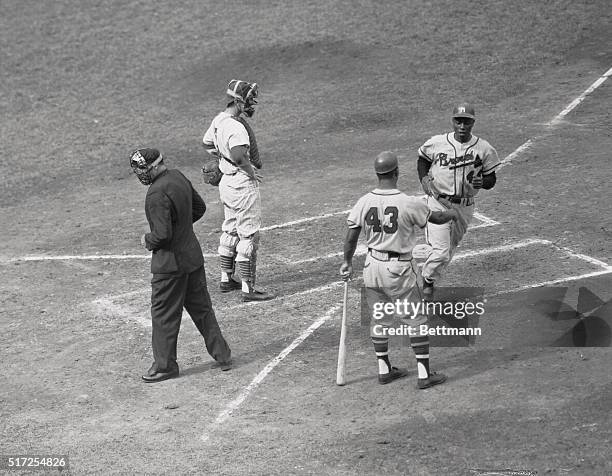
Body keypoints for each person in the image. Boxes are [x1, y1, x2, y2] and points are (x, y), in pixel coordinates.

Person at [340, 151, 463, 388]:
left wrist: (346, 262)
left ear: (378, 174)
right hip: (398, 270)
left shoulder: (364, 201)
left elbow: (351, 236)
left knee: (380, 317)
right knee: (416, 319)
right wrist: (451, 213)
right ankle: (424, 375)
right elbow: (435, 218)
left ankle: (384, 370)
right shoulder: (407, 202)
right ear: (396, 173)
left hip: (371, 267)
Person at [130, 148, 232, 383]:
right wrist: (182, 227)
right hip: (192, 258)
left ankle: (165, 366)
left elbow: (162, 235)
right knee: (202, 309)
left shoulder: (156, 194)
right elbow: (199, 209)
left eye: (143, 169)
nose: (141, 175)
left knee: (164, 315)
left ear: (155, 166)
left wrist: (148, 239)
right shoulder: (177, 177)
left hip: (170, 266)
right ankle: (222, 354)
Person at [417, 103, 500, 299]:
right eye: (459, 121)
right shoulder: (437, 143)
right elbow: (423, 159)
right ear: (453, 121)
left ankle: (428, 273)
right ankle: (426, 283)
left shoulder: (484, 148)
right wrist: (424, 177)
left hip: (465, 207)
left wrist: (484, 182)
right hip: (438, 202)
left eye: (467, 122)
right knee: (441, 252)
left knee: (449, 250)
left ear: (473, 123)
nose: (462, 126)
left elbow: (491, 179)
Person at [202, 79, 274, 302]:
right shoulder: (235, 126)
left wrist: (221, 159)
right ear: (238, 100)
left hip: (227, 184)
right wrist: (250, 171)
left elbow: (206, 143)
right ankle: (248, 289)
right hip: (242, 184)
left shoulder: (219, 120)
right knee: (249, 234)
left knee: (231, 229)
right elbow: (238, 155)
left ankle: (226, 279)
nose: (253, 104)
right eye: (250, 99)